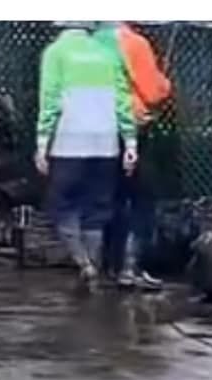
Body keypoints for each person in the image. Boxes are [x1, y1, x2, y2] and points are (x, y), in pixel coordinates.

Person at [35, 23, 137, 284]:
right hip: (106, 145)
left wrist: (42, 144)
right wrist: (130, 143)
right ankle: (95, 265)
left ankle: (83, 263)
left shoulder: (56, 53)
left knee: (63, 206)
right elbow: (123, 100)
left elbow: (50, 101)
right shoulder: (107, 54)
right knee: (97, 209)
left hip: (69, 144)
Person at [104, 22, 173, 290]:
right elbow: (153, 91)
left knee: (112, 196)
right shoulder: (135, 43)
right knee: (142, 197)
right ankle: (131, 268)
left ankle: (108, 266)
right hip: (129, 128)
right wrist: (164, 83)